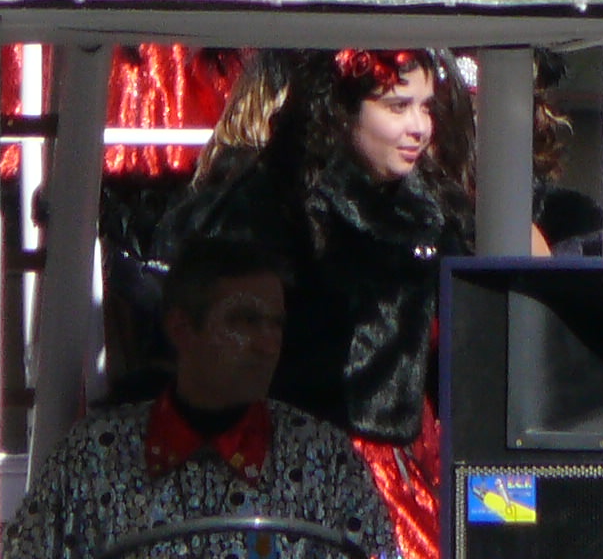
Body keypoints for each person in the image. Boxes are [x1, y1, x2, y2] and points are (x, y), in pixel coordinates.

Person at [157, 54, 465, 559]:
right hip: (272, 465)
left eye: (426, 107)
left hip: (399, 467)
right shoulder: (272, 208)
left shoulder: (428, 209)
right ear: (342, 110)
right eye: (397, 106)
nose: (419, 127)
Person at [5, 236, 395, 559]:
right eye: (244, 321)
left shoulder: (326, 461)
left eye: (276, 324)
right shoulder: (92, 458)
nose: (268, 344)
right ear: (181, 328)